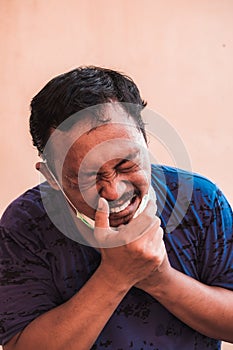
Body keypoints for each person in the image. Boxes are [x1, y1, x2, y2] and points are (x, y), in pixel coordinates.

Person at [0, 66, 232, 350]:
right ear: (52, 178)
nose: (114, 191)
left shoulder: (200, 201)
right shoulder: (25, 224)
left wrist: (160, 279)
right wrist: (114, 276)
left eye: (127, 164)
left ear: (145, 142)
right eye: (88, 177)